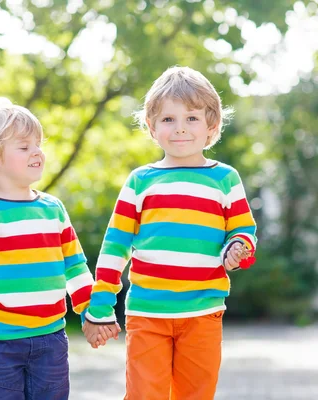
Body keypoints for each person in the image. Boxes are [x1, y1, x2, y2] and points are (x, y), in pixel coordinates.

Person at [82, 66, 257, 400]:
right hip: (148, 313)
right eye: (168, 120)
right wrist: (101, 304)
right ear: (151, 127)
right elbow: (115, 247)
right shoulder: (140, 181)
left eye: (191, 119)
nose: (180, 129)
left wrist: (237, 248)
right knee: (144, 395)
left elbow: (243, 230)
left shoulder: (225, 179)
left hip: (203, 312)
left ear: (212, 126)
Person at [0, 97, 106, 399]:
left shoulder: (53, 209)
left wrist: (90, 311)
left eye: (38, 144)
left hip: (51, 338)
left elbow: (74, 265)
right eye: (24, 147)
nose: (37, 152)